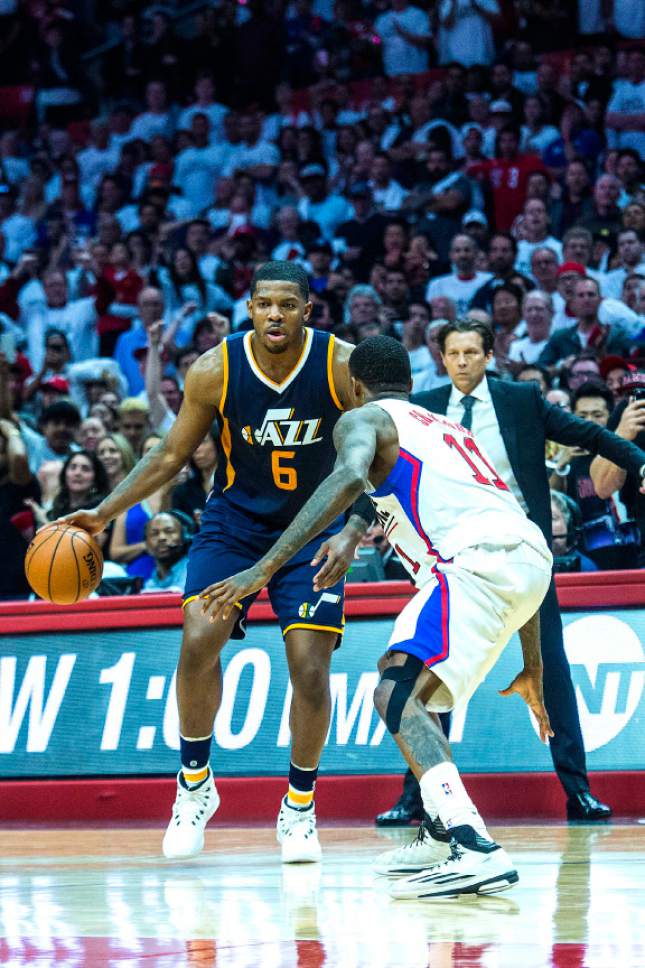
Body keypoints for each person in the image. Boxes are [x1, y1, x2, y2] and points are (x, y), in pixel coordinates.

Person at [201, 334, 555, 897]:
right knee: (419, 689)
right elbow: (515, 543)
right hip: (530, 558)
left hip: (469, 562)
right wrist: (531, 664)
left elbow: (347, 479)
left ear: (352, 386)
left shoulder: (361, 417)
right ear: (411, 382)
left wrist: (263, 569)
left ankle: (473, 844)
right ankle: (440, 833)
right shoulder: (446, 427)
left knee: (394, 691)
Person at [57, 261, 373, 864]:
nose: (275, 314)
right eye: (264, 304)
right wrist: (100, 513)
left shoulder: (340, 365)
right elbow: (171, 455)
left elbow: (383, 448)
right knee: (199, 636)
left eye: (288, 304)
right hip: (235, 525)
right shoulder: (214, 369)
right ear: (249, 310)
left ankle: (300, 806)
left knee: (309, 666)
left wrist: (357, 528)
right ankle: (195, 786)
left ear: (309, 311)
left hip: (314, 529)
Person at [410, 317, 645, 819]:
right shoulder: (425, 412)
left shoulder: (519, 400)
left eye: (472, 352)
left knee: (553, 671)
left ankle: (578, 791)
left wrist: (639, 461)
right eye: (453, 354)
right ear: (441, 359)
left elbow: (586, 433)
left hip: (523, 556)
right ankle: (416, 797)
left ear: (490, 355)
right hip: (455, 560)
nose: (463, 362)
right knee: (429, 673)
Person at [143, 511, 194, 593]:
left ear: (184, 537)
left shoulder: (194, 572)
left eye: (169, 531)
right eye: (154, 534)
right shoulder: (150, 584)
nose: (161, 538)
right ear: (147, 544)